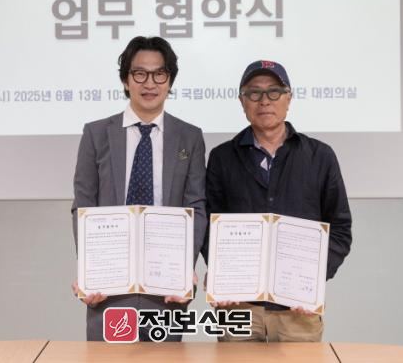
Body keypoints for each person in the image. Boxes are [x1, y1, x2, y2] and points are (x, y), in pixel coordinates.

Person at [204, 60, 352, 342]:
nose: (264, 101)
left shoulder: (320, 156)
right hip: (239, 308)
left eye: (274, 92)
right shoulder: (222, 158)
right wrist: (221, 275)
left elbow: (340, 229)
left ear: (289, 98)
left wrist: (312, 280)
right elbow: (210, 227)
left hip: (298, 311)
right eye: (254, 93)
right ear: (242, 101)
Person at [71, 35, 207, 341]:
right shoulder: (96, 134)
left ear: (170, 80)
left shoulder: (190, 137)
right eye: (140, 74)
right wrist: (91, 270)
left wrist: (183, 268)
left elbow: (196, 207)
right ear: (125, 80)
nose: (150, 84)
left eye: (159, 74)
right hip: (109, 291)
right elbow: (83, 206)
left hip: (166, 290)